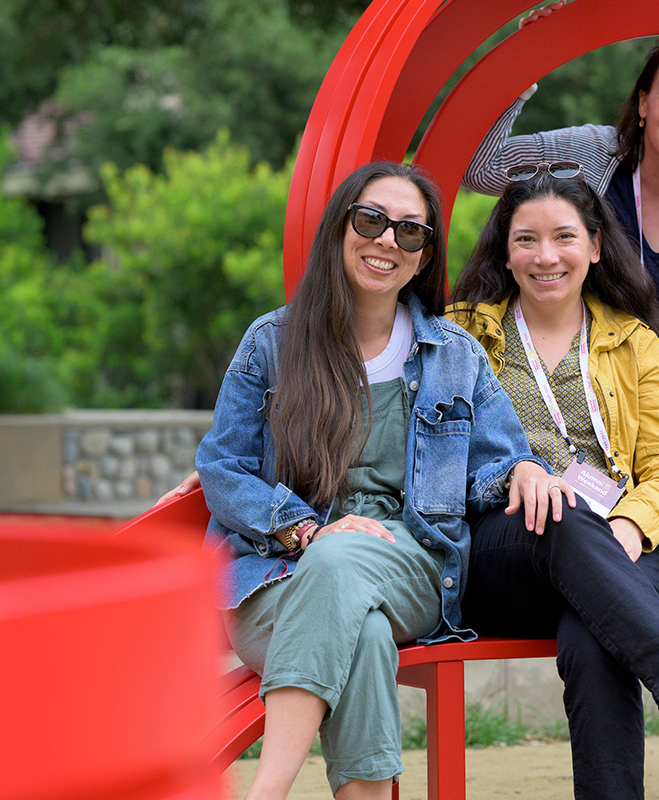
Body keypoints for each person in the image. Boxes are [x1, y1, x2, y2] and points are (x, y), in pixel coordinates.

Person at [196, 161, 558, 800]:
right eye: (372, 220)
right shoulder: (272, 343)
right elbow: (222, 469)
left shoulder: (453, 354)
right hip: (275, 576)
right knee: (358, 629)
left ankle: (264, 792)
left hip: (410, 564)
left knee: (344, 565)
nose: (388, 241)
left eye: (411, 233)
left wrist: (526, 467)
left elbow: (497, 460)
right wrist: (304, 528)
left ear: (423, 257)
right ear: (341, 228)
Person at [448, 170, 659, 800]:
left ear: (596, 246)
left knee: (594, 634)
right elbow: (436, 455)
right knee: (566, 513)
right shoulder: (462, 335)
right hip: (503, 553)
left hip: (624, 549)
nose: (546, 256)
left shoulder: (634, 341)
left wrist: (629, 524)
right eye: (527, 240)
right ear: (505, 250)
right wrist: (517, 478)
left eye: (564, 237)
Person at [463, 14, 659, 383]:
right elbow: (480, 168)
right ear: (643, 103)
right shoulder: (593, 153)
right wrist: (523, 67)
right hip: (581, 374)